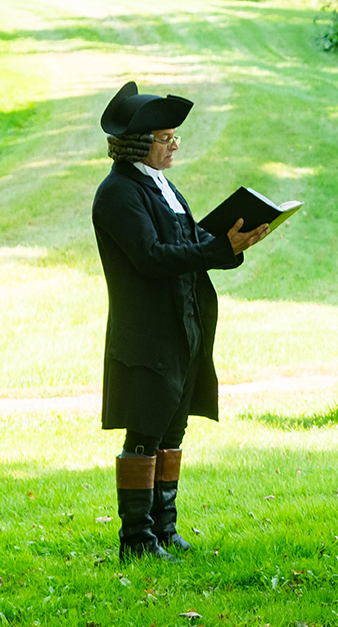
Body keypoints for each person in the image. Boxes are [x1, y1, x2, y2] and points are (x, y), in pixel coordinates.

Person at [92, 81, 271, 562]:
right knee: (146, 430)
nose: (174, 145)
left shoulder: (162, 186)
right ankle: (137, 540)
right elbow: (151, 257)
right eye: (166, 137)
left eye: (173, 137)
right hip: (147, 326)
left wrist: (235, 239)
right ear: (139, 143)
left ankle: (165, 530)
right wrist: (217, 248)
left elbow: (190, 242)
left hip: (184, 321)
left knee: (173, 429)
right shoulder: (118, 192)